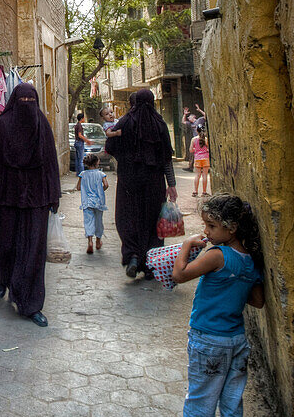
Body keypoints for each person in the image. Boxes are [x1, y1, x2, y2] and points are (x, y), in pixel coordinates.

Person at [169, 195, 265, 417]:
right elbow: (258, 301)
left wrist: (186, 245)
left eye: (212, 226)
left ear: (231, 228)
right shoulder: (249, 261)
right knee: (232, 403)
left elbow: (180, 275)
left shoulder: (218, 255)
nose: (207, 232)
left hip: (208, 340)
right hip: (236, 341)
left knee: (200, 395)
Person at [0, 82, 61, 327]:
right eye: (22, 102)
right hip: (9, 196)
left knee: (34, 250)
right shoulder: (3, 125)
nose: (26, 107)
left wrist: (54, 196)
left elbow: (51, 163)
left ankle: (30, 304)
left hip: (37, 199)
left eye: (30, 103)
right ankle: (5, 277)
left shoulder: (42, 125)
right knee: (9, 244)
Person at [105, 88, 178, 280]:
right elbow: (166, 158)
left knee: (128, 217)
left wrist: (125, 159)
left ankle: (133, 255)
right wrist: (171, 184)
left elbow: (110, 146)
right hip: (154, 183)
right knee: (153, 221)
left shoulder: (125, 122)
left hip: (129, 182)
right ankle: (151, 265)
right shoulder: (160, 124)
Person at [76, 153, 108, 254]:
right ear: (95, 163)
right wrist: (101, 191)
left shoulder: (83, 174)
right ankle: (98, 242)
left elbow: (78, 187)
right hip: (99, 202)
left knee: (88, 221)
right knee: (99, 221)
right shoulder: (101, 174)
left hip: (87, 202)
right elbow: (106, 185)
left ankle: (90, 242)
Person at [190, 126, 211, 199]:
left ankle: (195, 191)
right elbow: (208, 148)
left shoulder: (193, 139)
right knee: (204, 175)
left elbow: (191, 150)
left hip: (197, 159)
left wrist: (195, 149)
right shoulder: (206, 139)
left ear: (196, 131)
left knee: (197, 175)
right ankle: (204, 192)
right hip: (205, 158)